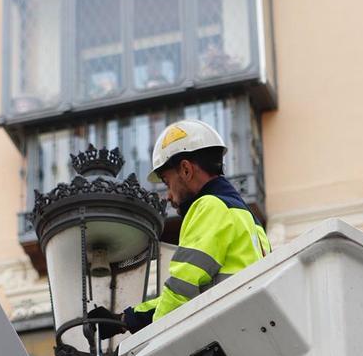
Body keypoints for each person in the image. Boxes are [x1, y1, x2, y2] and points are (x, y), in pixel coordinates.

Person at [94, 119, 270, 337]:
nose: (168, 197)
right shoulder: (247, 218)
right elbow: (195, 292)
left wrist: (150, 344)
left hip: (226, 333)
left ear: (186, 170)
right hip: (245, 329)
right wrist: (125, 320)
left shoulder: (209, 206)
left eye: (167, 183)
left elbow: (181, 290)